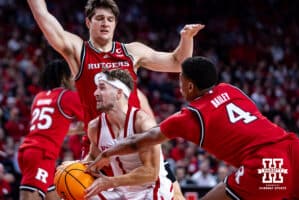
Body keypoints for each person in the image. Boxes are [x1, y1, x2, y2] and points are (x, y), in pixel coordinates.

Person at [26, 0, 203, 198]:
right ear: (88, 23)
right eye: (99, 18)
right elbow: (44, 18)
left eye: (110, 19)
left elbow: (178, 63)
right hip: (100, 140)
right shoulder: (79, 51)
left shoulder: (131, 51)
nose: (105, 23)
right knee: (77, 189)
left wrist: (186, 38)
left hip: (136, 138)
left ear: (115, 24)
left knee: (174, 194)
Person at [86, 56, 299, 200]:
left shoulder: (188, 117)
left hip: (266, 162)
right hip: (292, 147)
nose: (178, 85)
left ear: (189, 85)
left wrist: (108, 152)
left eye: (180, 79)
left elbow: (139, 140)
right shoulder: (231, 89)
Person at [83, 70, 173, 199]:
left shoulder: (143, 123)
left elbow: (151, 173)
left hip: (151, 189)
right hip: (121, 190)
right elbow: (93, 157)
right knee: (81, 194)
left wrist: (110, 182)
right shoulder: (95, 127)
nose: (95, 93)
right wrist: (73, 169)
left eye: (102, 88)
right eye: (96, 88)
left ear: (119, 93)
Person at [18, 59, 84, 200]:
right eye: (71, 75)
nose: (74, 79)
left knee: (53, 196)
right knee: (29, 196)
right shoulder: (68, 96)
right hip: (42, 155)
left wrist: (73, 131)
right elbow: (93, 119)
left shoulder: (39, 97)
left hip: (30, 151)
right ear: (63, 77)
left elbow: (48, 129)